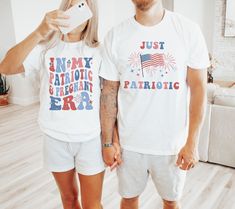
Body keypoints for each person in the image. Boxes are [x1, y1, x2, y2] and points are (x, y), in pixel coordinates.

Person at [100, 0, 210, 209]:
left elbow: (199, 90)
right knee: (129, 198)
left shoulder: (188, 30)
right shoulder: (116, 35)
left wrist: (192, 143)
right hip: (128, 145)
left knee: (171, 202)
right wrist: (108, 142)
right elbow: (109, 93)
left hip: (172, 145)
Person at [0, 1, 105, 209]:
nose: (75, 13)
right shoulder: (45, 50)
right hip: (55, 138)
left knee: (92, 205)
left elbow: (110, 98)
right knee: (68, 199)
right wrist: (40, 31)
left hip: (90, 139)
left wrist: (112, 141)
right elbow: (6, 66)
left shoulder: (99, 52)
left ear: (90, 15)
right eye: (71, 6)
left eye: (81, 7)